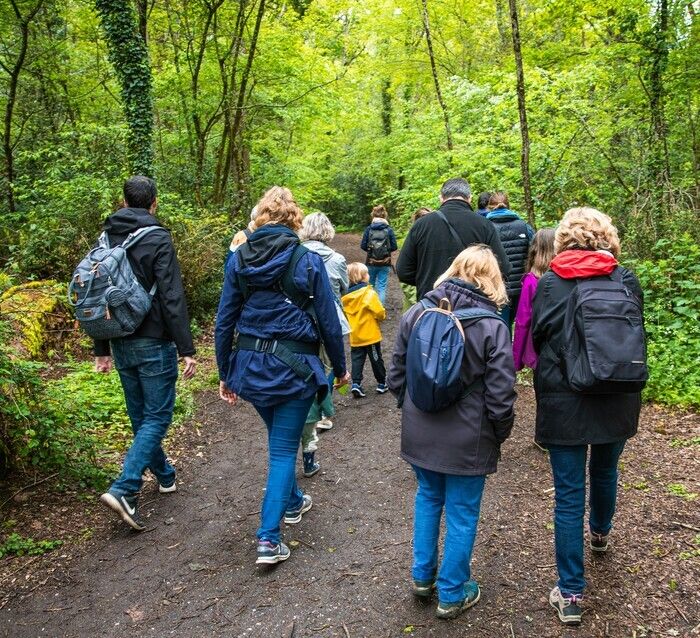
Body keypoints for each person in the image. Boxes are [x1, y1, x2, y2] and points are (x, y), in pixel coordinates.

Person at [215, 186, 350, 566]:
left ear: (259, 218)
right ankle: (268, 539)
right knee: (280, 452)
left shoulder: (238, 258)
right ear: (295, 219)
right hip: (295, 368)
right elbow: (327, 316)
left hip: (251, 367)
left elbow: (225, 318)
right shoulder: (306, 259)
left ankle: (292, 501)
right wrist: (339, 368)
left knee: (278, 440)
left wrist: (225, 370)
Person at [387, 245, 516, 620]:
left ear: (453, 269)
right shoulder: (492, 326)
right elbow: (501, 394)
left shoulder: (417, 312)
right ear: (492, 280)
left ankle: (422, 577)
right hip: (468, 438)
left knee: (428, 497)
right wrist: (499, 432)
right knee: (461, 512)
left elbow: (397, 372)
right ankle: (452, 592)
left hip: (420, 429)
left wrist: (410, 409)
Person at [531, 208, 643, 625]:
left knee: (568, 495)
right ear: (607, 236)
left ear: (563, 239)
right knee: (607, 469)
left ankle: (572, 594)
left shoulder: (549, 282)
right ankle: (600, 532)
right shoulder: (624, 279)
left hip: (564, 399)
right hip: (617, 391)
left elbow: (540, 335)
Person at [96, 176, 197, 531]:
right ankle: (125, 488)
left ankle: (165, 475)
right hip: (153, 340)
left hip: (121, 339)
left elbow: (97, 294)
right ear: (154, 202)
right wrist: (187, 348)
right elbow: (171, 295)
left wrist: (101, 347)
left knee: (142, 417)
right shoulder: (158, 237)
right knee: (156, 417)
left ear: (123, 201)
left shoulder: (106, 237)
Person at [298, 212, 351, 476]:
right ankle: (323, 412)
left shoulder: (294, 256)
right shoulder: (338, 259)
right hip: (332, 320)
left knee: (308, 366)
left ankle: (315, 415)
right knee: (328, 366)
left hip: (301, 322)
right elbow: (344, 288)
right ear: (328, 231)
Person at [396, 178, 510, 300]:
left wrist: (427, 279)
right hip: (472, 304)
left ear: (441, 198)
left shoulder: (421, 225)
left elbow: (403, 271)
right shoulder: (484, 225)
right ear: (470, 198)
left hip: (431, 302)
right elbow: (503, 267)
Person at [485, 192, 534, 328]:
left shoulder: (485, 227)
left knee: (500, 325)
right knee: (522, 325)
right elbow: (534, 253)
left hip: (495, 287)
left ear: (489, 207)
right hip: (521, 286)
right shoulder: (524, 226)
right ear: (509, 206)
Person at [342, 262, 387, 398]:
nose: (368, 275)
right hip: (370, 335)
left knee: (356, 359)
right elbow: (379, 312)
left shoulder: (345, 297)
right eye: (366, 273)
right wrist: (381, 316)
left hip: (355, 335)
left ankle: (356, 384)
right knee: (376, 358)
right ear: (361, 277)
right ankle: (381, 382)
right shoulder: (369, 293)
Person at [512, 228, 555, 372]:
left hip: (539, 346)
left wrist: (516, 360)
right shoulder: (567, 278)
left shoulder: (531, 281)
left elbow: (523, 321)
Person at [360, 205, 398, 305]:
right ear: (384, 216)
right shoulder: (388, 229)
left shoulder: (369, 229)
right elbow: (394, 247)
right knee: (381, 287)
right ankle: (380, 310)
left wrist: (371, 251)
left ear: (373, 216)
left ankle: (371, 308)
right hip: (385, 262)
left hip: (371, 261)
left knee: (370, 285)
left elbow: (363, 245)